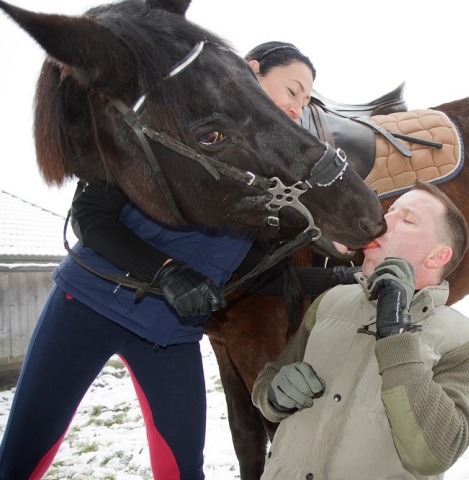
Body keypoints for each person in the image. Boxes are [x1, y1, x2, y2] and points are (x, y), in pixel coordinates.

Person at [0, 41, 331, 480]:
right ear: (252, 71)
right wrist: (166, 271)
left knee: (182, 472)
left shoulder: (272, 181)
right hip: (85, 309)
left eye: (305, 101)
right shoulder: (174, 124)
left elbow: (261, 277)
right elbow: (90, 216)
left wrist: (342, 276)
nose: (298, 107)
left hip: (170, 336)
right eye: (293, 90)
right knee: (20, 459)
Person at [251, 181, 469, 479]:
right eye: (388, 212)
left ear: (437, 257)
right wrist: (274, 395)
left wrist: (395, 333)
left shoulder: (468, 342)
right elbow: (268, 381)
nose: (380, 223)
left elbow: (434, 455)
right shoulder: (330, 302)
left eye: (406, 219)